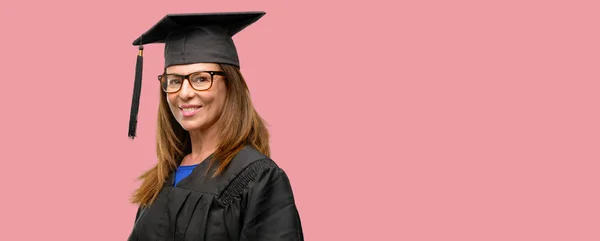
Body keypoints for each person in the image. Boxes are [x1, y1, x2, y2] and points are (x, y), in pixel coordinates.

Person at [125, 11, 304, 241]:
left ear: (230, 85)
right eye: (175, 81)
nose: (185, 93)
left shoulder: (259, 179)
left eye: (201, 78)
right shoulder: (161, 177)